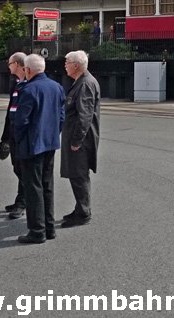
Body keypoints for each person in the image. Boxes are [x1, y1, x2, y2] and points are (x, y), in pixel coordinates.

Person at [13, 54, 65, 244]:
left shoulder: (28, 90)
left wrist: (18, 140)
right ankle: (49, 227)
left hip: (31, 145)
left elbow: (21, 121)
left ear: (28, 70)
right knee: (47, 185)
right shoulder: (56, 87)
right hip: (50, 143)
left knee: (33, 188)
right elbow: (61, 116)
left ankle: (37, 231)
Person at [60, 50, 101, 228]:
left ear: (76, 65)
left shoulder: (85, 84)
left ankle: (83, 212)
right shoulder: (82, 81)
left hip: (81, 140)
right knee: (77, 174)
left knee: (79, 174)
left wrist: (76, 141)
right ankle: (80, 208)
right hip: (79, 137)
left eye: (67, 62)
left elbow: (84, 115)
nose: (65, 65)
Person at [1, 52, 27, 219]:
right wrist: (5, 137)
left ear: (17, 64)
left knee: (22, 170)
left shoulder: (27, 84)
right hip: (13, 134)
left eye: (10, 63)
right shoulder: (16, 83)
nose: (8, 66)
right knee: (17, 168)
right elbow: (10, 112)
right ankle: (20, 199)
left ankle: (23, 203)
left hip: (23, 136)